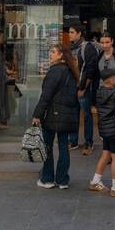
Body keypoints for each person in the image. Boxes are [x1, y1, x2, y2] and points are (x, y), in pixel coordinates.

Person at [32, 45, 79, 190]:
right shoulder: (71, 72)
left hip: (53, 114)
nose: (49, 54)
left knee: (48, 146)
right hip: (68, 115)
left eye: (53, 52)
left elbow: (46, 95)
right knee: (64, 147)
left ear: (61, 55)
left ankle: (47, 179)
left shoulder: (54, 71)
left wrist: (37, 114)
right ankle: (63, 180)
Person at [87, 67, 115, 197]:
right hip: (114, 129)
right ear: (110, 80)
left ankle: (95, 181)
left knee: (106, 154)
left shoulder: (99, 92)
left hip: (104, 128)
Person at [69, 24, 100, 154]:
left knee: (87, 115)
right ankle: (74, 141)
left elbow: (91, 70)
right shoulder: (71, 48)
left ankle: (88, 143)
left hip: (84, 88)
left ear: (79, 33)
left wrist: (83, 87)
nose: (69, 34)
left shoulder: (87, 48)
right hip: (72, 87)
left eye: (72, 32)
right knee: (73, 114)